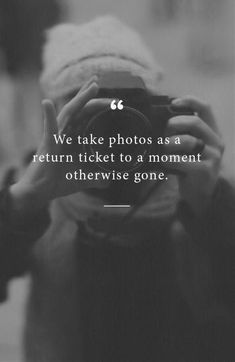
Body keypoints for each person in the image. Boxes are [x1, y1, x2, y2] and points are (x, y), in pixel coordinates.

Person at [0, 16, 234, 362]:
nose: (111, 133)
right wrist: (19, 204)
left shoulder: (194, 181)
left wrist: (215, 210)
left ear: (157, 112)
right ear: (56, 123)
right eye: (90, 111)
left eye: (127, 108)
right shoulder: (34, 188)